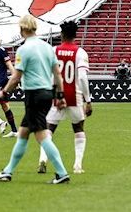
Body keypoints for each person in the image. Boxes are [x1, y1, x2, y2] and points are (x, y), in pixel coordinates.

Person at [0, 15, 71, 185]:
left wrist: (4, 92)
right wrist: (60, 95)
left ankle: (62, 173)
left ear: (22, 29)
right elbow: (57, 74)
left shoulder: (24, 49)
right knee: (23, 133)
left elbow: (16, 77)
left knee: (42, 136)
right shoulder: (47, 47)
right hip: (46, 93)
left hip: (34, 95)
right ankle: (7, 172)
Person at [38, 21, 92, 175]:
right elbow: (82, 78)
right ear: (75, 35)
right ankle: (77, 165)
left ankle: (43, 159)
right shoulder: (80, 52)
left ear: (61, 35)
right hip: (74, 95)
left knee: (49, 128)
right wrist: (88, 100)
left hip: (56, 95)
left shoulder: (53, 50)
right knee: (78, 128)